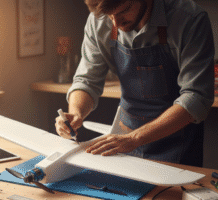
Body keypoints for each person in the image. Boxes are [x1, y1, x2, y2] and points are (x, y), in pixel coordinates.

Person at [55, 0, 215, 167]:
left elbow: (196, 97)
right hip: (123, 141)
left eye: (124, 10)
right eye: (109, 15)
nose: (115, 22)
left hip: (177, 144)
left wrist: (134, 138)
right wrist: (75, 113)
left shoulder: (189, 19)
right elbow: (86, 80)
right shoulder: (99, 21)